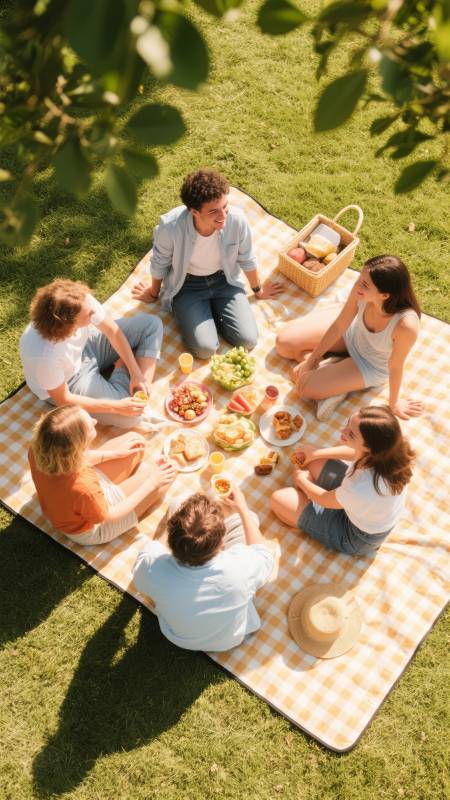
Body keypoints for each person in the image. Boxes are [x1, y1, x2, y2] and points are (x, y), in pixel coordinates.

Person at [132, 169, 283, 359]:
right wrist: (154, 293)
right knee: (205, 349)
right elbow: (159, 262)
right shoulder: (170, 227)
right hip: (187, 286)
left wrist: (258, 290)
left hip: (225, 280)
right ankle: (203, 315)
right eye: (213, 211)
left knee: (248, 340)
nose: (223, 216)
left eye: (225, 206)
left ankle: (212, 313)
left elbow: (246, 257)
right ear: (194, 211)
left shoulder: (237, 219)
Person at [275, 255, 423, 420]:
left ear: (385, 295)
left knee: (304, 387)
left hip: (369, 365)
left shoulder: (405, 326)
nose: (357, 284)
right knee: (283, 342)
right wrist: (312, 360)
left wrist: (394, 403)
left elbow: (395, 367)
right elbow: (340, 325)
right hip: (351, 335)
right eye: (360, 277)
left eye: (365, 284)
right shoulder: (360, 290)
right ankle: (328, 367)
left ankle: (336, 384)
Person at [132, 487, 274, 652]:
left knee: (179, 500)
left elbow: (147, 561)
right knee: (251, 520)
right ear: (222, 544)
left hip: (179, 638)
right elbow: (263, 553)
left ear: (171, 542)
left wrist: (174, 525)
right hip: (229, 640)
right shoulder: (240, 567)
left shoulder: (152, 567)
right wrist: (242, 508)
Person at [271, 405, 415, 556]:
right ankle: (305, 511)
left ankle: (312, 525)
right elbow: (355, 452)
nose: (342, 431)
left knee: (279, 499)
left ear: (370, 449)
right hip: (359, 507)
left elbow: (324, 499)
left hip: (356, 536)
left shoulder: (361, 487)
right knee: (311, 459)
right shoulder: (390, 451)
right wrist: (316, 453)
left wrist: (302, 481)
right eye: (348, 424)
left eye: (351, 434)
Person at [20, 278, 163, 428]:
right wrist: (116, 407)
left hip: (88, 345)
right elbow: (64, 399)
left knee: (151, 325)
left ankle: (140, 388)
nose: (94, 313)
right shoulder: (44, 357)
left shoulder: (78, 299)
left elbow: (112, 332)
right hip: (70, 381)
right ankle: (120, 369)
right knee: (132, 418)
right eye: (88, 315)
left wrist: (136, 373)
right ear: (69, 327)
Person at [29, 405, 177, 545]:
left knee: (135, 441)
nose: (95, 421)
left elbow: (74, 458)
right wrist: (152, 483)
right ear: (77, 445)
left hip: (77, 501)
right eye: (91, 427)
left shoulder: (38, 449)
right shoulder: (83, 487)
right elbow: (109, 516)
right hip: (94, 526)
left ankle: (130, 481)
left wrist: (114, 454)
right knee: (167, 473)